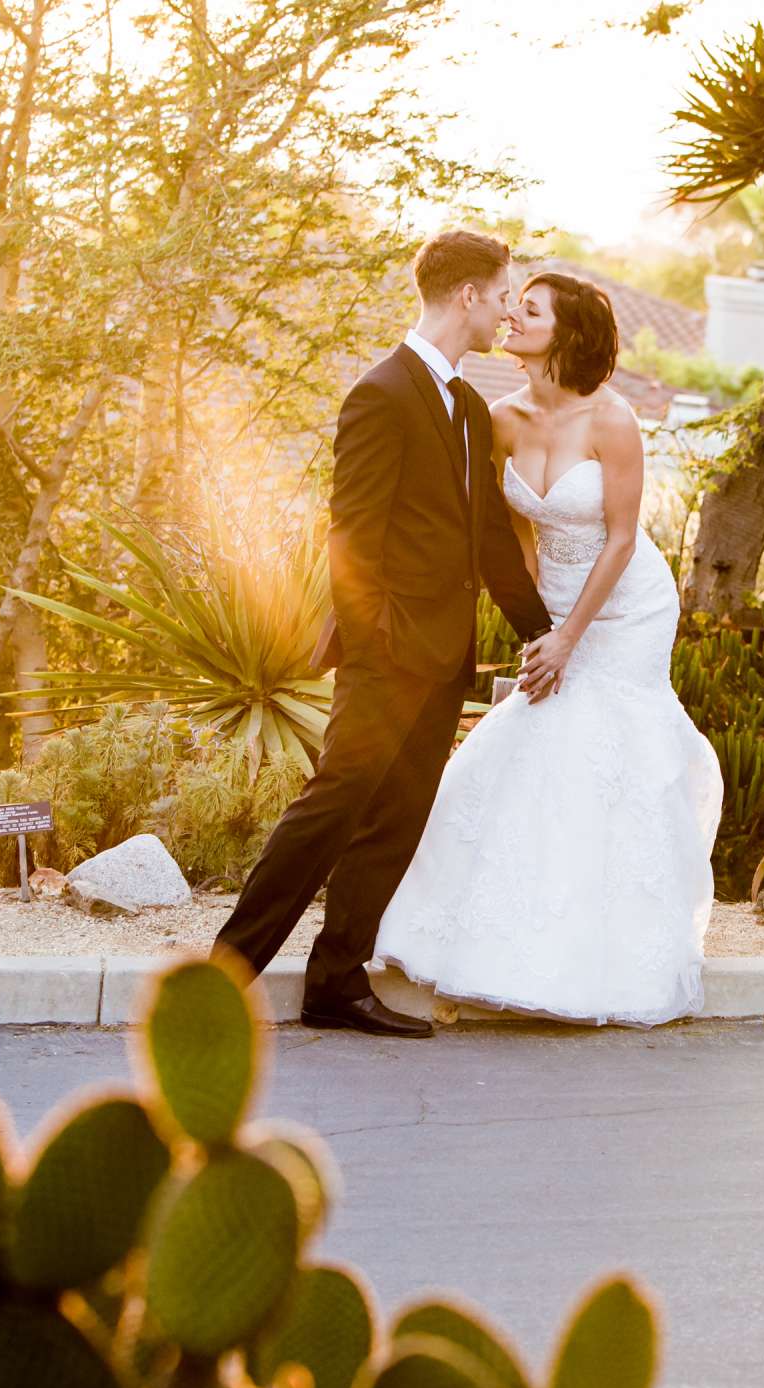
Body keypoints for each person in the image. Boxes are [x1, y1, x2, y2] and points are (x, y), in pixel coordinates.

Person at [211, 229, 565, 1037]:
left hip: (445, 660)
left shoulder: (471, 408)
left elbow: (486, 542)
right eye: (504, 293)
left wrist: (544, 634)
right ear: (467, 297)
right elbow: (354, 538)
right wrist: (375, 646)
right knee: (329, 810)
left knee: (396, 821)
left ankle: (338, 981)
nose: (509, 309)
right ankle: (220, 979)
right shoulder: (381, 392)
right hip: (385, 653)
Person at [374, 270, 723, 1025]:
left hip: (623, 604)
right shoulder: (499, 417)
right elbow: (516, 531)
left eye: (527, 311)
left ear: (565, 334)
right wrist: (537, 621)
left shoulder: (613, 421)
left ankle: (607, 938)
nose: (510, 318)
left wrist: (572, 635)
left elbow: (624, 538)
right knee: (536, 735)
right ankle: (490, 924)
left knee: (605, 746)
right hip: (555, 601)